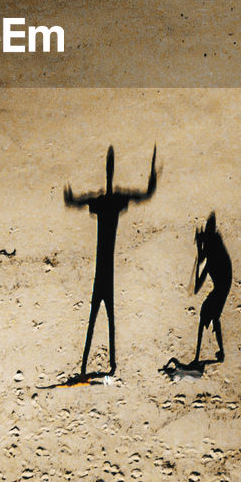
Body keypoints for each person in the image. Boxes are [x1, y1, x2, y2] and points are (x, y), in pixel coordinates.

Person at [64, 145, 158, 377]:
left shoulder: (103, 202)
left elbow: (75, 202)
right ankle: (107, 366)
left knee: (96, 315)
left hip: (101, 269)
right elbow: (145, 194)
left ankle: (89, 366)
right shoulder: (116, 201)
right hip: (108, 270)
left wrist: (73, 197)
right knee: (106, 316)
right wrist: (152, 177)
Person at [192, 212, 231, 365]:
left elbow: (196, 287)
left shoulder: (210, 259)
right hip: (223, 285)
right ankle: (220, 352)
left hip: (221, 288)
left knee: (206, 314)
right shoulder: (216, 246)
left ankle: (197, 357)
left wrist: (198, 249)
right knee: (213, 316)